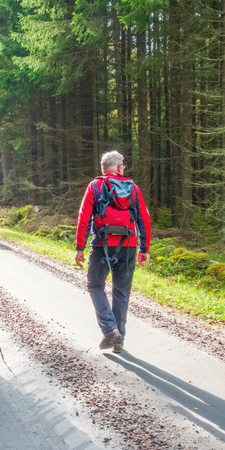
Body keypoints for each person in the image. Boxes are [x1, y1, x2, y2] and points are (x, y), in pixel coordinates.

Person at [74, 150, 151, 354]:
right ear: (118, 168)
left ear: (104, 169)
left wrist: (79, 247)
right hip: (128, 246)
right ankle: (119, 336)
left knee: (95, 285)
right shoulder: (134, 189)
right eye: (123, 165)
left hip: (102, 245)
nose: (123, 168)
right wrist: (144, 249)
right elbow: (144, 219)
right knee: (121, 291)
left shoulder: (95, 186)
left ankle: (110, 329)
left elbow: (84, 218)